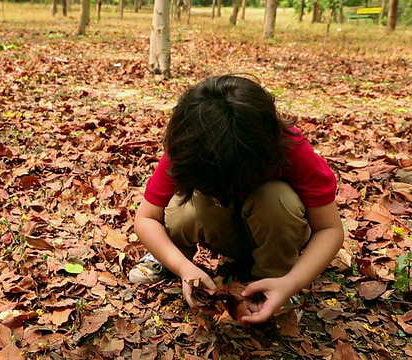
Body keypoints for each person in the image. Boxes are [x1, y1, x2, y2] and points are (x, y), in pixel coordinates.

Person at [128, 75, 344, 324]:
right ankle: (168, 257)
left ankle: (271, 281)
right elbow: (146, 218)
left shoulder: (289, 147)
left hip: (277, 229)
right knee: (182, 207)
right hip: (222, 228)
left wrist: (291, 283)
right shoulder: (190, 145)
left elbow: (329, 228)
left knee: (275, 197)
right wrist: (183, 268)